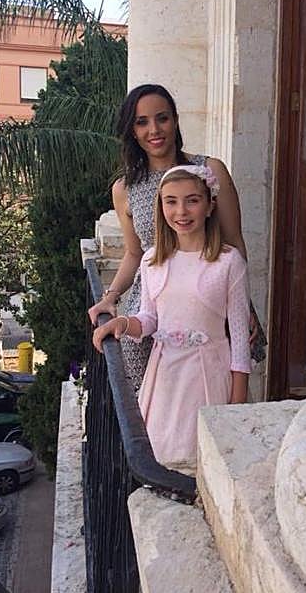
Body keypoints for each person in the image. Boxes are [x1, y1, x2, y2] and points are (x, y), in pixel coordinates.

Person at [88, 83, 262, 388]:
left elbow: (234, 241)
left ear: (175, 120)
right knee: (153, 398)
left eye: (162, 118)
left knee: (216, 386)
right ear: (132, 130)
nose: (154, 130)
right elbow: (134, 253)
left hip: (207, 298)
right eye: (142, 122)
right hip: (154, 304)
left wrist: (241, 305)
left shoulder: (210, 170)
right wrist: (111, 297)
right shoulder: (125, 188)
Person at [92, 164, 251, 468]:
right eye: (171, 201)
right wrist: (123, 323)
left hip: (207, 377)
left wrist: (236, 407)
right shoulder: (153, 260)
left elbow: (241, 340)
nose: (181, 211)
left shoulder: (229, 262)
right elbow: (150, 319)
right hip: (164, 377)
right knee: (160, 457)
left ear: (209, 206)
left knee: (202, 459)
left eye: (192, 200)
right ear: (161, 206)